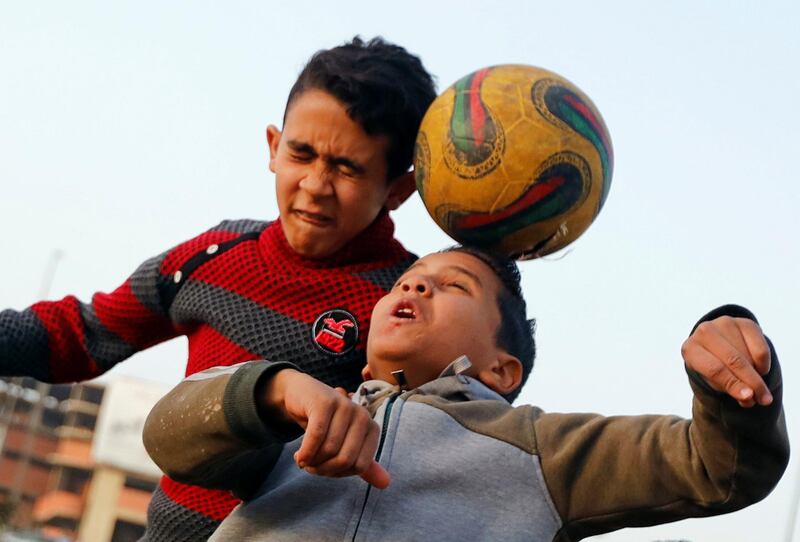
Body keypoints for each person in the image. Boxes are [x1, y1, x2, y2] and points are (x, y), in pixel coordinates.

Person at [0, 37, 437, 540]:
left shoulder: (407, 303)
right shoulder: (217, 253)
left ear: (398, 189)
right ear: (274, 147)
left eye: (347, 168)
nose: (315, 184)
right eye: (302, 153)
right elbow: (84, 332)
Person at [143, 247, 789, 542]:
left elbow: (719, 469)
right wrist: (276, 390)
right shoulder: (301, 417)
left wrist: (728, 382)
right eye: (408, 281)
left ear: (505, 370)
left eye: (452, 286)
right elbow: (168, 435)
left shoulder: (544, 450)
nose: (415, 288)